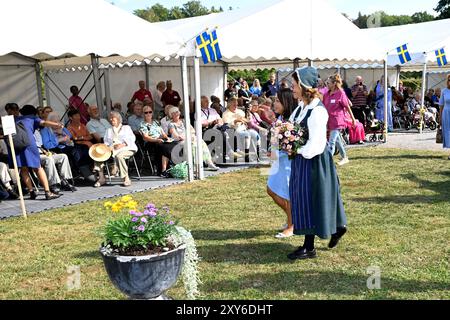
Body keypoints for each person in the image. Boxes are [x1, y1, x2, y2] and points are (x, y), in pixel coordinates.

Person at [287, 67, 347, 261]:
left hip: (313, 161)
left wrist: (296, 149)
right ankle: (338, 227)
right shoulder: (301, 107)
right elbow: (292, 128)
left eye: (295, 85)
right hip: (302, 160)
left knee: (311, 199)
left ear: (305, 87)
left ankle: (309, 246)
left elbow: (317, 145)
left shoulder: (317, 111)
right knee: (312, 198)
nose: (292, 88)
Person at [5, 105, 62, 200]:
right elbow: (43, 122)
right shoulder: (31, 117)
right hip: (29, 144)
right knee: (38, 167)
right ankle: (48, 192)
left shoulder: (9, 121)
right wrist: (56, 124)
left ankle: (31, 192)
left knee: (24, 169)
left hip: (16, 146)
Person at [267, 88, 296, 238]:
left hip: (287, 161)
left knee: (285, 193)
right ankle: (293, 219)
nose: (275, 103)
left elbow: (293, 141)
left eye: (278, 101)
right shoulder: (280, 118)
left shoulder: (291, 121)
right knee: (271, 189)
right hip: (278, 159)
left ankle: (291, 226)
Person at [92, 112, 137, 187]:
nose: (111, 119)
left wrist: (122, 145)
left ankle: (126, 178)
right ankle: (101, 178)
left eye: (113, 118)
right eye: (110, 118)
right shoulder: (108, 130)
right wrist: (107, 147)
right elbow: (106, 142)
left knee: (119, 156)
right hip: (112, 150)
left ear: (118, 119)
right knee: (98, 155)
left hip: (127, 148)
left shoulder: (126, 128)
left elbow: (132, 138)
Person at [168, 107, 219, 171]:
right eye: (174, 113)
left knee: (200, 141)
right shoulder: (171, 124)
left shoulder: (184, 121)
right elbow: (176, 136)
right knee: (192, 144)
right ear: (171, 115)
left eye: (177, 112)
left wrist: (189, 136)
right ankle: (195, 166)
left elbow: (192, 131)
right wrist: (187, 136)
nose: (176, 114)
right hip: (179, 141)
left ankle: (209, 162)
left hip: (188, 138)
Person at [323, 74, 356, 166]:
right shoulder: (326, 94)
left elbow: (347, 106)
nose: (326, 84)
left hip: (338, 121)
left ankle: (327, 162)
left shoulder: (340, 93)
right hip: (329, 121)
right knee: (337, 140)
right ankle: (345, 157)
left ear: (334, 84)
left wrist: (353, 119)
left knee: (332, 141)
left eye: (328, 83)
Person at [140, 105, 179, 177]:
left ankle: (173, 168)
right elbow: (145, 137)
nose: (148, 114)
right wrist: (156, 140)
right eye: (146, 112)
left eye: (150, 112)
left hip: (160, 140)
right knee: (164, 147)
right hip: (151, 142)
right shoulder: (143, 124)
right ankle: (164, 170)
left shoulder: (156, 122)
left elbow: (162, 133)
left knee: (174, 144)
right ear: (143, 114)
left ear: (152, 113)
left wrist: (167, 138)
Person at [439, 74, 450, 160]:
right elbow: (441, 105)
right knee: (447, 132)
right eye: (449, 80)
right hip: (446, 114)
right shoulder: (444, 91)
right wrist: (439, 118)